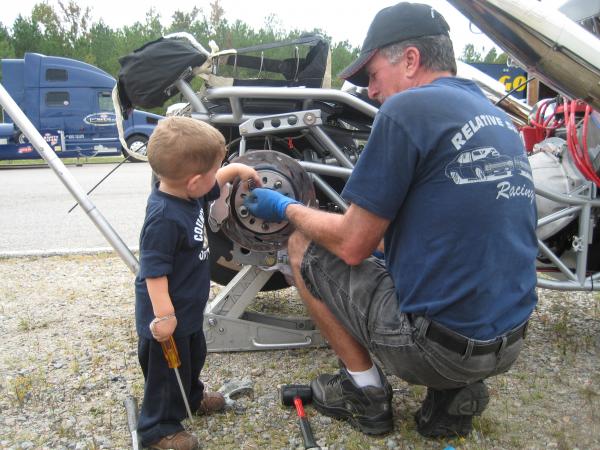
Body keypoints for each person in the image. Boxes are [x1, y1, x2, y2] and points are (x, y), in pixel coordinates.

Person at [243, 2, 538, 439]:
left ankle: (364, 393)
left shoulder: (408, 109)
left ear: (412, 60)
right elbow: (439, 234)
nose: (370, 91)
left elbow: (352, 245)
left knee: (302, 244)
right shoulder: (499, 119)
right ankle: (454, 395)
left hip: (434, 349)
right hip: (509, 344)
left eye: (373, 75)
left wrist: (286, 208)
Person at [135, 116, 261, 450]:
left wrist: (237, 171)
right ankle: (158, 430)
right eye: (214, 171)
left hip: (188, 309)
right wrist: (163, 316)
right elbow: (153, 272)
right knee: (166, 373)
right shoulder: (163, 218)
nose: (217, 176)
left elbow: (213, 179)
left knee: (194, 356)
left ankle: (191, 399)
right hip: (168, 316)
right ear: (194, 183)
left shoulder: (187, 195)